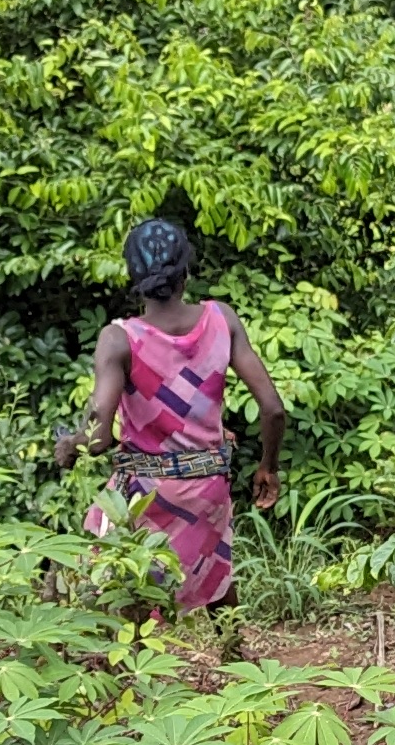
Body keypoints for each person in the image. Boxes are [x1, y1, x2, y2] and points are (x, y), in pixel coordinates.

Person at [54, 219, 285, 613]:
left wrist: (70, 446)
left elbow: (99, 437)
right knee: (214, 565)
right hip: (208, 487)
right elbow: (273, 409)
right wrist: (268, 466)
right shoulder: (221, 319)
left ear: (132, 274)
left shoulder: (120, 339)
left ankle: (135, 665)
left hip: (145, 493)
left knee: (104, 572)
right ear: (186, 270)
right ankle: (235, 657)